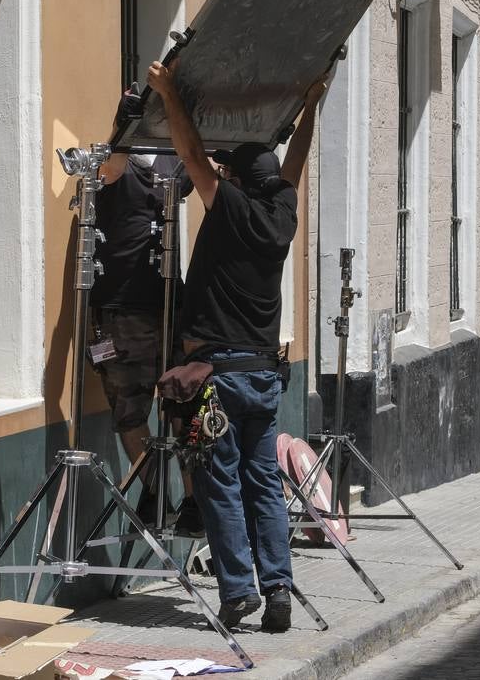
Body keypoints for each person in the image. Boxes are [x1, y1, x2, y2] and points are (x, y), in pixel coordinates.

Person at [145, 57, 328, 633]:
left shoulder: (231, 207)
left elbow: (194, 157)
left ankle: (237, 590)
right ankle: (277, 590)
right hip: (264, 378)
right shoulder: (281, 214)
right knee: (265, 484)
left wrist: (170, 92)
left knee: (221, 486)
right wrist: (310, 106)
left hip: (220, 377)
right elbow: (293, 164)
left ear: (238, 182)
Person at [93, 86, 195, 526]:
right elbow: (109, 168)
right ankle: (154, 490)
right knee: (129, 411)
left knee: (183, 406)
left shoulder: (172, 165)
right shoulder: (118, 163)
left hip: (170, 307)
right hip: (122, 310)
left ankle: (192, 501)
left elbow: (200, 166)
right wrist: (125, 126)